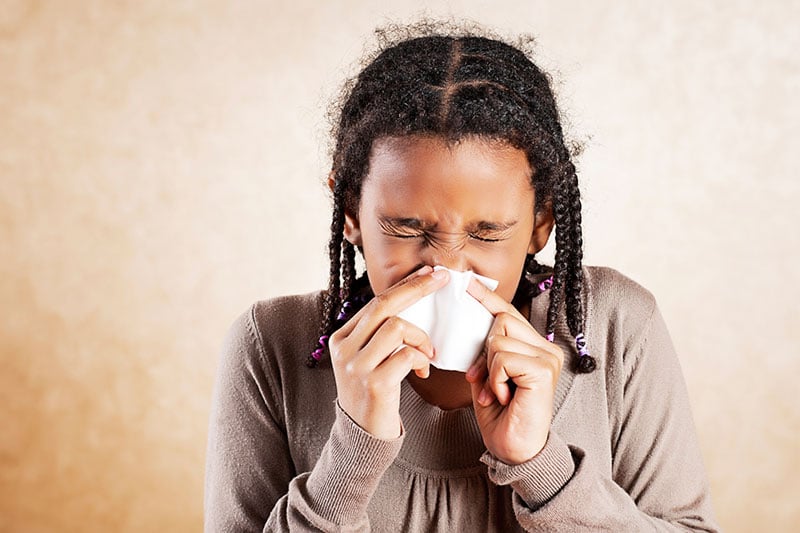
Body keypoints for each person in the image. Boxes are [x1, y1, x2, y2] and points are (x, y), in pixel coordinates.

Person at [204, 23, 720, 532]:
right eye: (406, 227)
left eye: (489, 232)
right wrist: (352, 459)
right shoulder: (271, 343)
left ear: (541, 223)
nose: (446, 267)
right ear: (351, 213)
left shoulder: (615, 325)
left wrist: (542, 467)